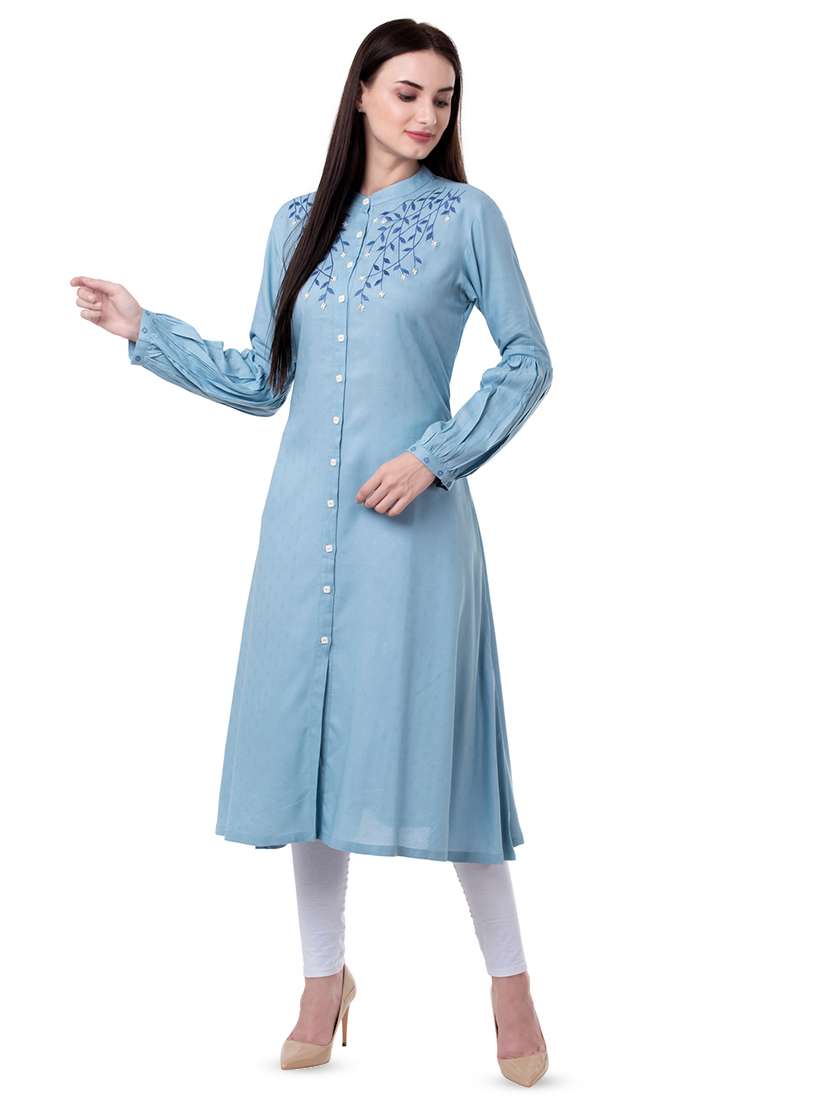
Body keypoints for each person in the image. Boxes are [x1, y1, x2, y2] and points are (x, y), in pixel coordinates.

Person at [70, 19, 552, 1088]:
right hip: (302, 532)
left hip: (413, 528)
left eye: (443, 98)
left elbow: (527, 359)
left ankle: (511, 989)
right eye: (407, 93)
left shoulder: (467, 217)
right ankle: (321, 982)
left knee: (448, 753)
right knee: (309, 753)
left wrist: (435, 457)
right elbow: (261, 378)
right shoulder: (295, 222)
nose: (426, 115)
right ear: (361, 94)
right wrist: (146, 330)